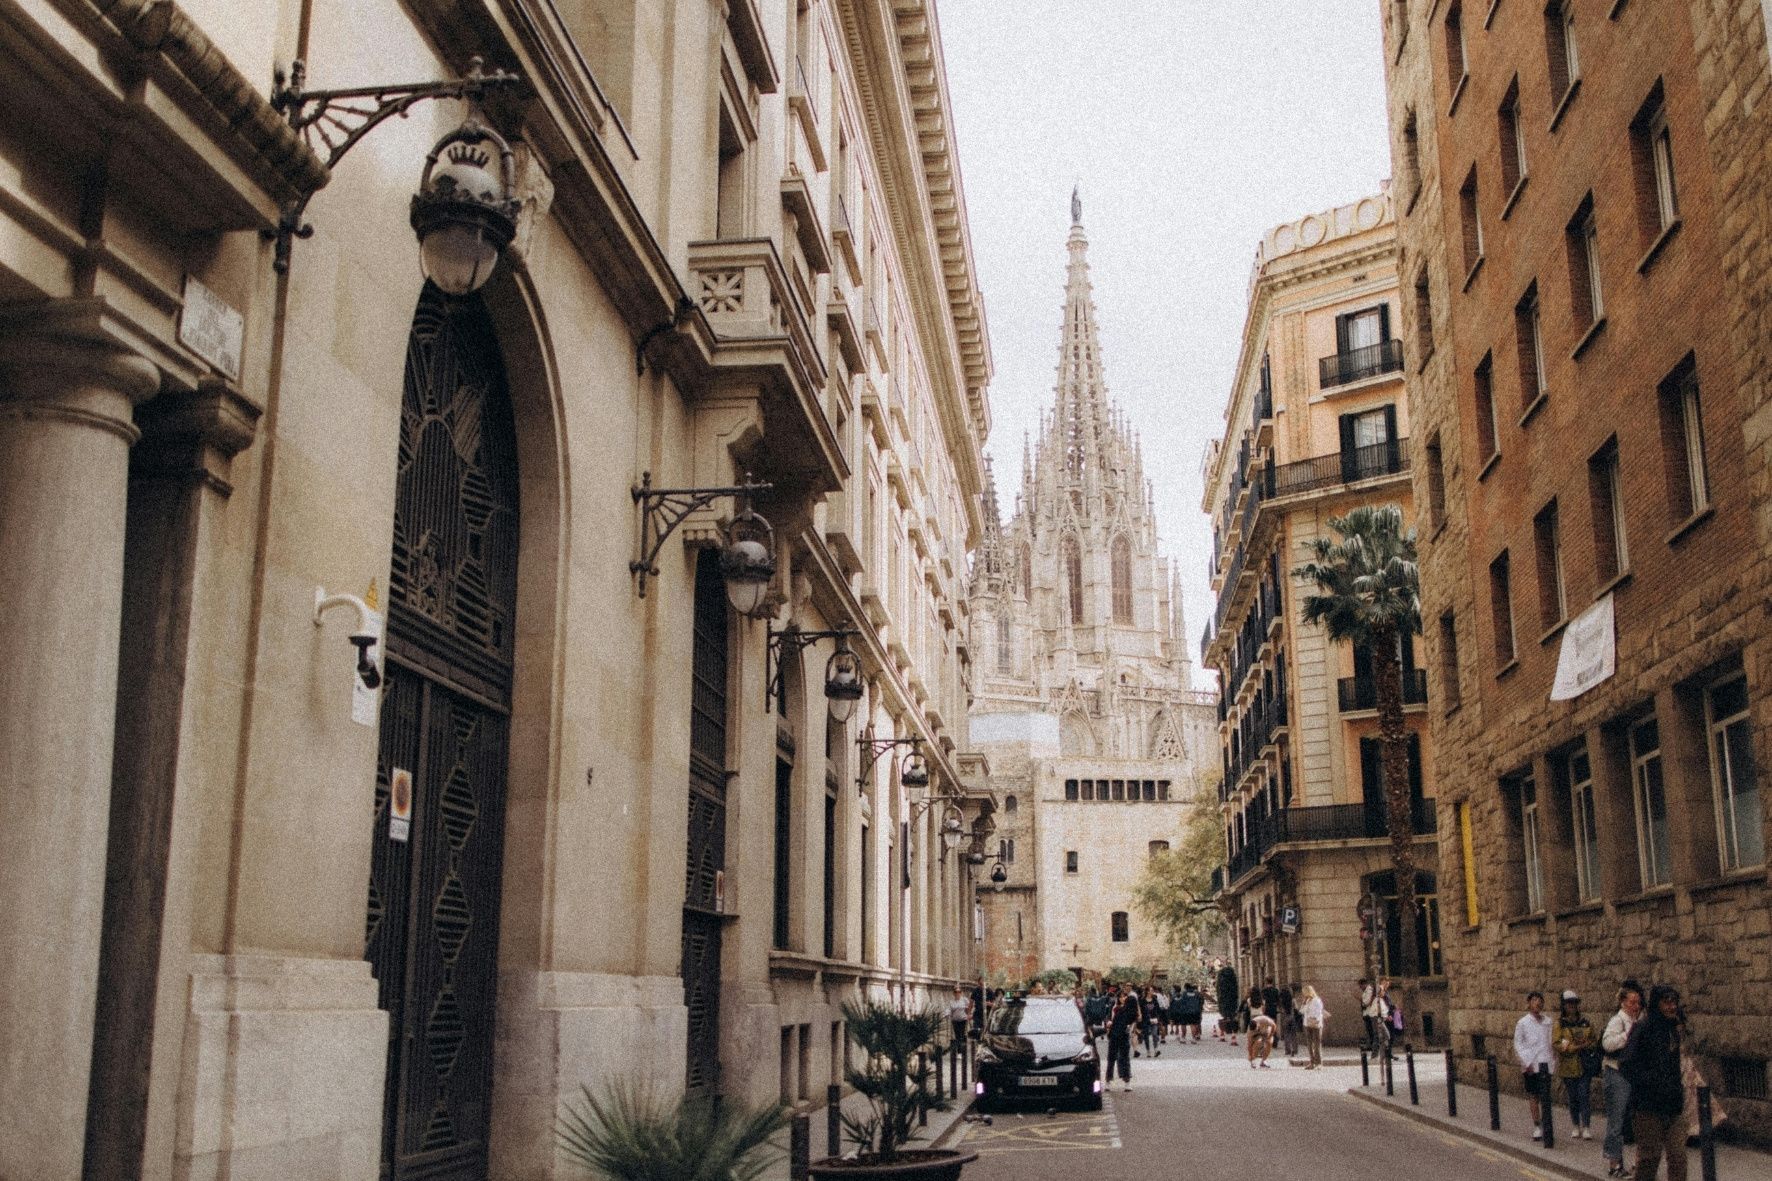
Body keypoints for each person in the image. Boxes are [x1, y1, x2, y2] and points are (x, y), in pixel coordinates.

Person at [1620, 985, 1688, 1181]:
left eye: (1674, 1002)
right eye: (1666, 1002)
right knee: (1650, 1158)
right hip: (1648, 1106)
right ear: (1656, 1004)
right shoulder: (1643, 1028)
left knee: (1678, 1157)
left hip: (1672, 1106)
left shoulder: (1673, 1030)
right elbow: (1626, 1064)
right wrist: (1651, 1081)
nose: (1671, 1007)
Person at [1601, 981, 1644, 1179]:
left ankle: (1638, 1163)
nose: (1636, 1006)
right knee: (1616, 1121)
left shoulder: (1640, 1020)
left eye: (1638, 1002)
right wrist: (1627, 1036)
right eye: (1632, 1002)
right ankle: (1614, 1164)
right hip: (1616, 1072)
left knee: (1639, 1119)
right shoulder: (1617, 1021)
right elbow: (1607, 1044)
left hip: (1633, 1073)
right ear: (1623, 1003)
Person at [1553, 989, 1599, 1140]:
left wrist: (1587, 1044)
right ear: (1564, 1005)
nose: (1572, 1006)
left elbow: (1594, 1040)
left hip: (1584, 1065)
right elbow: (1557, 1043)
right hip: (1568, 1067)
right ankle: (1575, 1125)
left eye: (1574, 1003)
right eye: (1569, 1003)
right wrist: (1574, 1047)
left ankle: (1586, 1126)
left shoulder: (1586, 1022)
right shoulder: (1560, 1024)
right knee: (1573, 1097)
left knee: (1584, 1095)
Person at [1515, 990, 1555, 1140]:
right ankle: (1537, 1125)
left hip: (1546, 1064)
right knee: (1534, 1095)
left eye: (1540, 1000)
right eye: (1534, 1000)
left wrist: (1553, 1061)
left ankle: (1547, 1125)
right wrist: (1527, 1062)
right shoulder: (1523, 1023)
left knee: (1545, 1095)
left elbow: (1551, 1043)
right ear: (1529, 1003)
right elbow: (1518, 1044)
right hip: (1531, 1065)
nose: (1537, 1003)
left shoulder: (1548, 1022)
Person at [1106, 985, 1141, 1092]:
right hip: (1117, 1035)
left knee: (1120, 1058)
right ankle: (1111, 1081)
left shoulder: (1124, 1009)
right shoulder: (1117, 1008)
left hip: (1120, 1036)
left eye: (1125, 996)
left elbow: (1137, 1018)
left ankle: (1122, 1081)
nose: (1123, 998)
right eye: (1121, 997)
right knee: (1115, 1058)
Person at [1299, 984, 1327, 1069]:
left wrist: (1312, 1016)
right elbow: (1301, 1011)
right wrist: (1303, 1004)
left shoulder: (1317, 1000)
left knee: (1317, 1044)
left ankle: (1318, 1063)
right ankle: (1312, 1062)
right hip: (1307, 1024)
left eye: (1305, 992)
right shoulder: (1307, 1001)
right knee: (1309, 1044)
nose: (1304, 994)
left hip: (1316, 1024)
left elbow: (1318, 1011)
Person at [1278, 983, 1298, 1058]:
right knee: (1293, 1034)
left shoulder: (1281, 1001)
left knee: (1286, 1034)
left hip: (1285, 1017)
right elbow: (1296, 1008)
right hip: (1292, 1016)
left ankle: (1288, 1050)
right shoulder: (1292, 999)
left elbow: (1280, 1009)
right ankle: (1295, 1049)